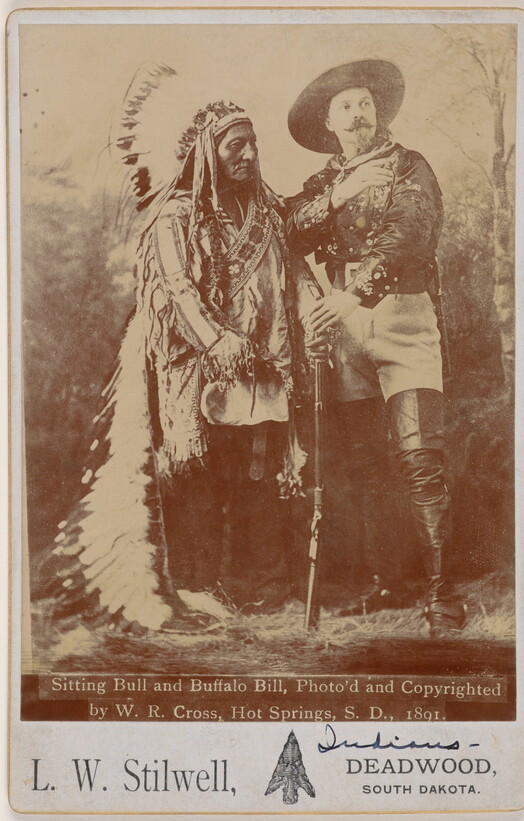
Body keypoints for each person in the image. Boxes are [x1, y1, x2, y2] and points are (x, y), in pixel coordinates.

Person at [51, 69, 322, 632]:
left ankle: (262, 587)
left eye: (252, 144)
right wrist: (217, 340)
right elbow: (175, 290)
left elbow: (293, 273)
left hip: (263, 368)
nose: (248, 154)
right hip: (197, 370)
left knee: (257, 474)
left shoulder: (267, 213)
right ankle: (198, 587)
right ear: (207, 153)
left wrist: (314, 313)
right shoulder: (174, 217)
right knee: (201, 474)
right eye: (234, 146)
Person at [286, 60, 466, 638]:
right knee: (364, 464)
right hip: (343, 334)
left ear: (378, 110)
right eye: (345, 107)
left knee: (421, 459)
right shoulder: (325, 182)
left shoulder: (410, 166)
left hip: (402, 317)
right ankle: (388, 581)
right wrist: (337, 198)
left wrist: (352, 296)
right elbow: (289, 230)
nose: (358, 114)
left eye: (365, 103)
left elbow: (409, 237)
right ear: (329, 122)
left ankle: (442, 598)